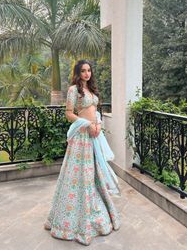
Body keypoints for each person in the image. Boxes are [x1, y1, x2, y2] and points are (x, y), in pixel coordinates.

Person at [44, 59, 121, 246]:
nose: (87, 74)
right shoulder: (73, 90)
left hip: (94, 135)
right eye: (83, 71)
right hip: (81, 138)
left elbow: (96, 111)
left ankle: (96, 209)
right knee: (79, 175)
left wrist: (98, 124)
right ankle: (72, 219)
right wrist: (87, 125)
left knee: (93, 173)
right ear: (77, 73)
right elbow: (69, 113)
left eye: (89, 70)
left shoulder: (91, 91)